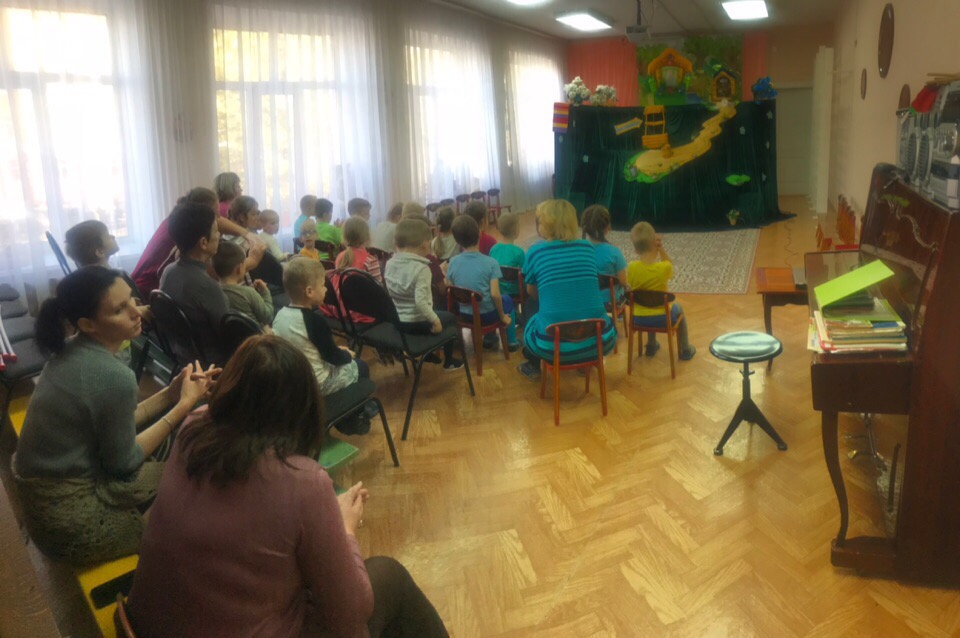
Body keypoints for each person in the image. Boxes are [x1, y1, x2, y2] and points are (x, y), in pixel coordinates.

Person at [126, 335, 448, 638]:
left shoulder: (194, 424)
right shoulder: (304, 481)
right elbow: (352, 614)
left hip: (148, 626)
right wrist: (346, 530)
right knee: (390, 577)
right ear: (303, 407)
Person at [13, 267, 211, 565]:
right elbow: (124, 464)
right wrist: (184, 406)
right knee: (187, 460)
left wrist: (170, 396)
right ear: (87, 324)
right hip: (67, 520)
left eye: (131, 299)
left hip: (42, 502)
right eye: (119, 309)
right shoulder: (112, 375)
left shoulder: (71, 349)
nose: (136, 312)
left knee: (170, 439)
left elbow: (116, 422)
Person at [516, 199, 618, 381]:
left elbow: (532, 292)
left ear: (547, 224)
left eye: (540, 221)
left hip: (550, 346)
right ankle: (583, 362)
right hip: (599, 341)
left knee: (530, 304)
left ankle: (533, 364)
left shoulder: (536, 251)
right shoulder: (587, 247)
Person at [273, 258, 375, 435]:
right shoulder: (314, 321)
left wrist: (338, 351)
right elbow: (333, 358)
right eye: (322, 285)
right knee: (360, 366)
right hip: (317, 384)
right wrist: (347, 355)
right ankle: (352, 419)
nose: (326, 289)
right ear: (309, 291)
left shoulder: (280, 315)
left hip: (293, 382)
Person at [131, 187, 261, 296]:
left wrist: (246, 233)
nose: (219, 218)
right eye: (216, 214)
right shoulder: (188, 231)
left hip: (147, 288)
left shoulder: (180, 219)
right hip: (146, 292)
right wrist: (252, 261)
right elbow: (221, 274)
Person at [385, 219, 463, 370]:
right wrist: (435, 320)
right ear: (424, 245)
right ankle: (449, 362)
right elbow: (420, 303)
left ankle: (428, 353)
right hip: (417, 322)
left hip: (398, 322)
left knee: (438, 316)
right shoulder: (422, 269)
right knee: (449, 318)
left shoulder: (389, 263)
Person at [159, 202, 230, 365]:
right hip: (213, 362)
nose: (219, 235)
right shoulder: (207, 286)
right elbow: (228, 333)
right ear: (204, 242)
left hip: (182, 354)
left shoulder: (168, 272)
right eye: (216, 230)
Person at [445, 215, 518, 352]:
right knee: (506, 299)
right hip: (486, 316)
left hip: (464, 315)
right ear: (479, 233)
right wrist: (502, 316)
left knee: (491, 300)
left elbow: (451, 288)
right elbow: (495, 294)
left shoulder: (453, 262)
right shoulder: (491, 263)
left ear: (457, 240)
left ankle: (490, 338)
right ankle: (511, 342)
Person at [627, 221, 696, 360]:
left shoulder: (631, 267)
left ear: (636, 250)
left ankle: (651, 345)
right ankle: (685, 349)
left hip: (637, 318)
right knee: (678, 308)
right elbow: (669, 264)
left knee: (648, 302)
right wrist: (661, 249)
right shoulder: (663, 268)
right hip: (662, 319)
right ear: (654, 243)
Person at [213, 241, 274, 328]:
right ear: (239, 268)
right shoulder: (249, 293)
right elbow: (267, 317)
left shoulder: (213, 293)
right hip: (255, 335)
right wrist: (265, 292)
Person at [581, 205, 628, 306]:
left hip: (586, 302)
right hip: (610, 304)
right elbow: (623, 282)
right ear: (607, 227)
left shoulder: (579, 252)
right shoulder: (614, 252)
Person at [488, 211, 525, 300]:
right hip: (516, 292)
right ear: (516, 231)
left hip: (498, 290)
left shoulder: (493, 249)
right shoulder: (519, 252)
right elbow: (525, 273)